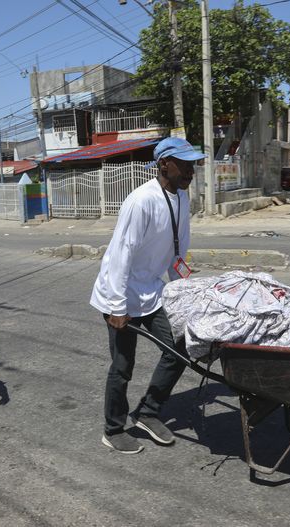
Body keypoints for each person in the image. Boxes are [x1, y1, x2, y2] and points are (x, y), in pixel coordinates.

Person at [90, 136, 204, 454]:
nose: (191, 171)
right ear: (164, 163)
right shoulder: (141, 201)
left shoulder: (181, 198)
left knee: (179, 348)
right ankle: (113, 430)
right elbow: (119, 255)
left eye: (193, 165)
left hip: (152, 291)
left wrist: (187, 290)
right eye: (185, 164)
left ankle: (148, 412)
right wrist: (115, 306)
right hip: (120, 293)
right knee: (123, 366)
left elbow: (177, 253)